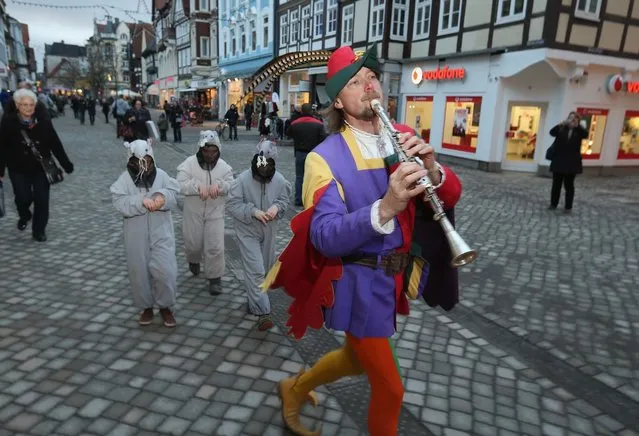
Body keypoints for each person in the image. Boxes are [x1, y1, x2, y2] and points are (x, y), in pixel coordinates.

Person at [261, 45, 463, 436]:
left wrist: (434, 170)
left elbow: (450, 195)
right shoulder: (325, 157)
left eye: (371, 76)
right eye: (355, 82)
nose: (368, 86)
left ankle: (295, 388)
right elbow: (324, 236)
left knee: (355, 360)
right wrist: (385, 207)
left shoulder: (402, 135)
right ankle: (295, 388)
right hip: (361, 285)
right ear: (338, 99)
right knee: (391, 389)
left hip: (395, 279)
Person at [110, 139, 180, 328]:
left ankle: (166, 306)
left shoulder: (163, 176)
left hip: (161, 231)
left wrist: (162, 198)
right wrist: (141, 201)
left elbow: (176, 195)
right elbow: (119, 202)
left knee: (166, 270)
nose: (143, 165)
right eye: (137, 161)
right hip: (135, 233)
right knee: (138, 271)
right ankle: (146, 306)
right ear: (131, 160)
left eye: (147, 160)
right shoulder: (124, 180)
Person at [227, 140, 291, 331]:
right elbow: (231, 205)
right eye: (261, 163)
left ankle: (254, 298)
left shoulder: (280, 181)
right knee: (255, 269)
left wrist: (276, 207)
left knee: (265, 269)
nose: (264, 168)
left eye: (268, 164)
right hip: (247, 229)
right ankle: (263, 313)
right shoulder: (241, 181)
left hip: (269, 230)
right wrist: (253, 211)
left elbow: (284, 201)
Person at [0, 88, 74, 242]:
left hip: (41, 168)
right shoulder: (8, 122)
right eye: (24, 105)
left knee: (42, 199)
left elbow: (56, 144)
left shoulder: (44, 123)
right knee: (22, 197)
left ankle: (39, 230)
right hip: (17, 168)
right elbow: (2, 146)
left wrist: (66, 164)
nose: (28, 108)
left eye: (31, 105)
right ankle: (24, 215)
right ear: (17, 106)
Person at [177, 130, 234, 295]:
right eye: (206, 151)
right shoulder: (189, 163)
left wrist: (221, 186)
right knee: (192, 242)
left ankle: (215, 278)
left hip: (215, 211)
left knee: (215, 245)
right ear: (200, 149)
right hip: (193, 211)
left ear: (218, 150)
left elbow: (232, 185)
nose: (210, 155)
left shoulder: (224, 167)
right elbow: (180, 183)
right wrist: (196, 187)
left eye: (213, 151)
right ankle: (193, 260)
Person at [548, 111, 588, 213]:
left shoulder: (579, 131)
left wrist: (577, 126)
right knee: (556, 185)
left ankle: (568, 207)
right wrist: (562, 124)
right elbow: (552, 132)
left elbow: (585, 135)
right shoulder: (562, 128)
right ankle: (553, 204)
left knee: (569, 186)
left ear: (578, 120)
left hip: (572, 163)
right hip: (559, 161)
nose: (572, 120)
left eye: (574, 118)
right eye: (570, 118)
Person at [288, 103, 327, 207]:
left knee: (299, 177)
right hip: (314, 153)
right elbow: (323, 138)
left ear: (301, 111)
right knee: (313, 176)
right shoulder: (318, 124)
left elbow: (289, 134)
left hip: (300, 152)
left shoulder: (295, 123)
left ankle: (298, 199)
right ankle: (311, 199)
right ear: (311, 111)